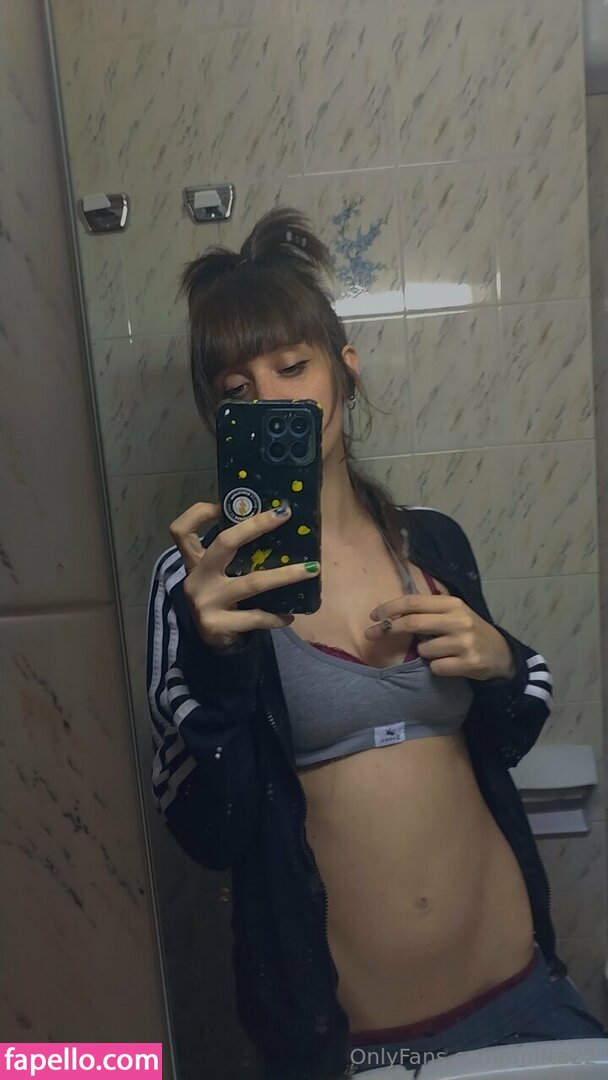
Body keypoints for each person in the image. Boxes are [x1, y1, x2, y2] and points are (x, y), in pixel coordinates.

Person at [146, 207, 606, 1080]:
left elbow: (510, 730)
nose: (272, 399)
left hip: (527, 999)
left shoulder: (431, 541)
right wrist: (216, 662)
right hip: (351, 1049)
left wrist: (501, 663)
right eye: (238, 389)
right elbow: (210, 829)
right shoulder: (200, 581)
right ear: (220, 418)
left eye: (293, 366)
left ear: (345, 371)